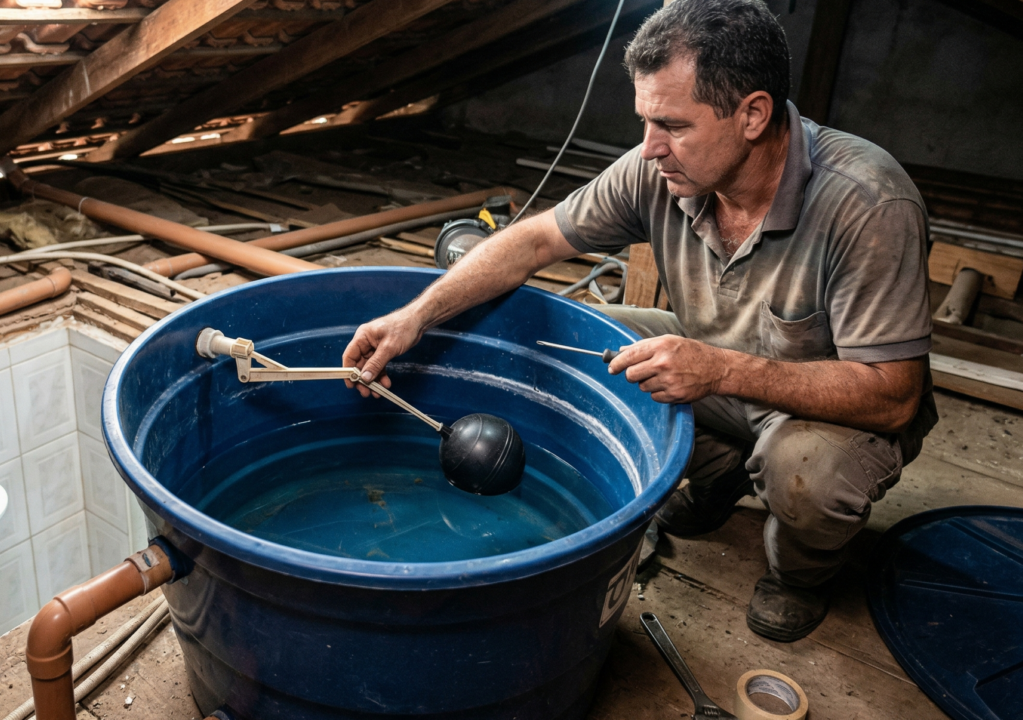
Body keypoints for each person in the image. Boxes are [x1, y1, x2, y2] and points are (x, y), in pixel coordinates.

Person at [340, 0, 937, 642]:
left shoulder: (868, 203)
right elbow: (534, 241)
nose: (650, 148)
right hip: (718, 363)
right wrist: (415, 316)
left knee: (806, 473)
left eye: (673, 125)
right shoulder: (661, 166)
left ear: (753, 115)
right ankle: (720, 475)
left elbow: (893, 397)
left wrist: (720, 370)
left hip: (829, 407)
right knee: (573, 343)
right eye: (645, 121)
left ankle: (800, 575)